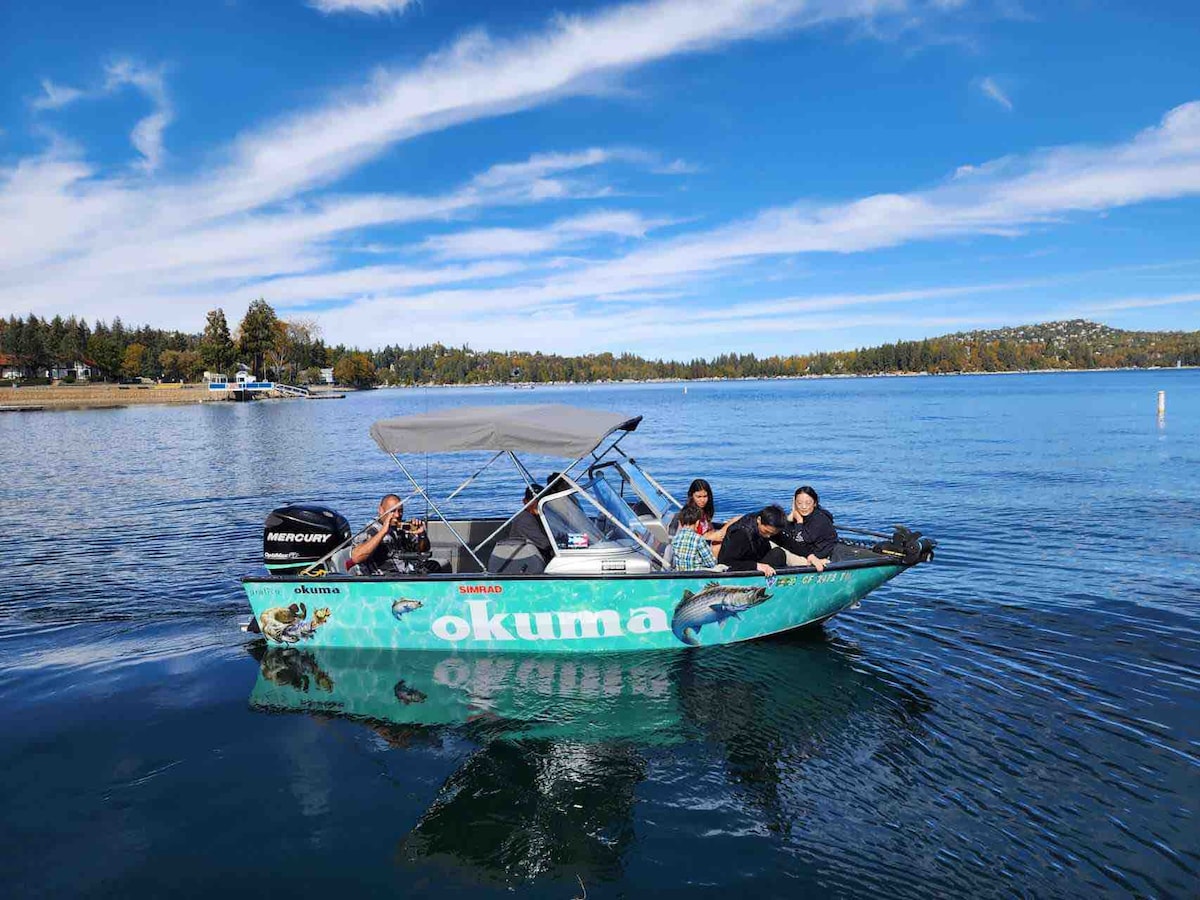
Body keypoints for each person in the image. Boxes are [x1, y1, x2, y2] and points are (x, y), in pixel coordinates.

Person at [350, 494, 443, 575]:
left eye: (400, 511)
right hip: (383, 577)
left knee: (433, 566)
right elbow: (356, 557)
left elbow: (423, 550)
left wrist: (422, 535)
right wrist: (383, 532)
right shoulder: (370, 530)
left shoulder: (400, 528)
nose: (397, 515)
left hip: (405, 572)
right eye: (392, 511)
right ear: (381, 510)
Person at [775, 486, 838, 572]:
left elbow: (799, 542)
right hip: (806, 554)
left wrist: (799, 522)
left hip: (813, 558)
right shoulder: (802, 515)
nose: (803, 507)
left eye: (808, 503)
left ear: (815, 503)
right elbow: (784, 533)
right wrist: (790, 518)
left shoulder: (819, 519)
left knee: (774, 547)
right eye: (799, 503)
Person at [717, 505, 788, 577]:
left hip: (755, 558)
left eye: (772, 533)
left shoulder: (765, 525)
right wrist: (756, 566)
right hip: (737, 569)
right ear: (759, 520)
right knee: (777, 555)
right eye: (766, 531)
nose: (768, 536)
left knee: (778, 553)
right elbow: (726, 562)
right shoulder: (740, 534)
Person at [669, 478, 741, 549]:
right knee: (736, 520)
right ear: (692, 495)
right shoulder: (690, 514)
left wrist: (723, 526)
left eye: (705, 496)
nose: (702, 500)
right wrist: (711, 537)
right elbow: (688, 538)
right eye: (699, 497)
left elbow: (708, 526)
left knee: (738, 523)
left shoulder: (703, 510)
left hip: (713, 537)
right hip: (704, 545)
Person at [509, 483, 554, 562]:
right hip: (527, 560)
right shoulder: (525, 519)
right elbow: (546, 543)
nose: (537, 503)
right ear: (525, 501)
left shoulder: (542, 516)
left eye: (540, 500)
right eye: (533, 500)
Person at [671, 504, 719, 570]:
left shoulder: (675, 538)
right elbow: (711, 563)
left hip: (681, 574)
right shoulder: (698, 539)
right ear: (697, 523)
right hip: (697, 575)